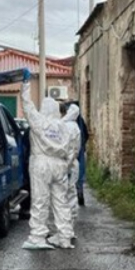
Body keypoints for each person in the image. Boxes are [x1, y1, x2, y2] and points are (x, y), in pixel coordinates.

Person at [20, 81, 73, 250]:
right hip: (60, 164)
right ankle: (65, 237)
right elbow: (70, 148)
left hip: (41, 163)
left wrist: (26, 85)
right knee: (61, 201)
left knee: (40, 201)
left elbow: (27, 105)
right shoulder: (63, 126)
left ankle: (37, 237)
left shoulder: (39, 121)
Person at [61, 104, 82, 244]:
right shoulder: (76, 127)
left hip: (65, 166)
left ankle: (63, 230)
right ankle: (70, 229)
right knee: (71, 195)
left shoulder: (65, 127)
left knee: (62, 197)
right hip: (73, 165)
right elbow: (76, 149)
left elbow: (66, 149)